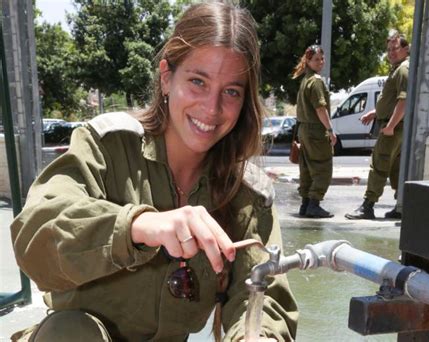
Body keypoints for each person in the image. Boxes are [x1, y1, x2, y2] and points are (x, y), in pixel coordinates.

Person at [10, 3, 298, 341]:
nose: (212, 107)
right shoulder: (107, 147)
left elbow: (261, 297)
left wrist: (259, 336)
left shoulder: (246, 194)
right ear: (166, 77)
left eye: (231, 91)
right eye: (197, 81)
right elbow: (35, 235)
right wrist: (136, 226)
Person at [345, 30, 410, 220]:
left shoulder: (403, 70)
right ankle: (401, 207)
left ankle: (368, 206)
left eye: (395, 49)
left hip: (394, 128)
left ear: (406, 49)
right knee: (396, 168)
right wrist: (376, 112)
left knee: (379, 164)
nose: (391, 53)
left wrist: (389, 126)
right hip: (397, 127)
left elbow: (403, 102)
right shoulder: (399, 68)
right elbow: (392, 100)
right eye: (388, 49)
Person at [292, 45, 337, 218]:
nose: (320, 62)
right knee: (322, 168)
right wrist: (330, 130)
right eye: (316, 59)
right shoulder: (316, 81)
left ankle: (305, 204)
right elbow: (320, 108)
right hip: (316, 131)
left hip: (304, 130)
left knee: (307, 168)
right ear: (308, 61)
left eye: (322, 58)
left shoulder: (305, 81)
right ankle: (314, 204)